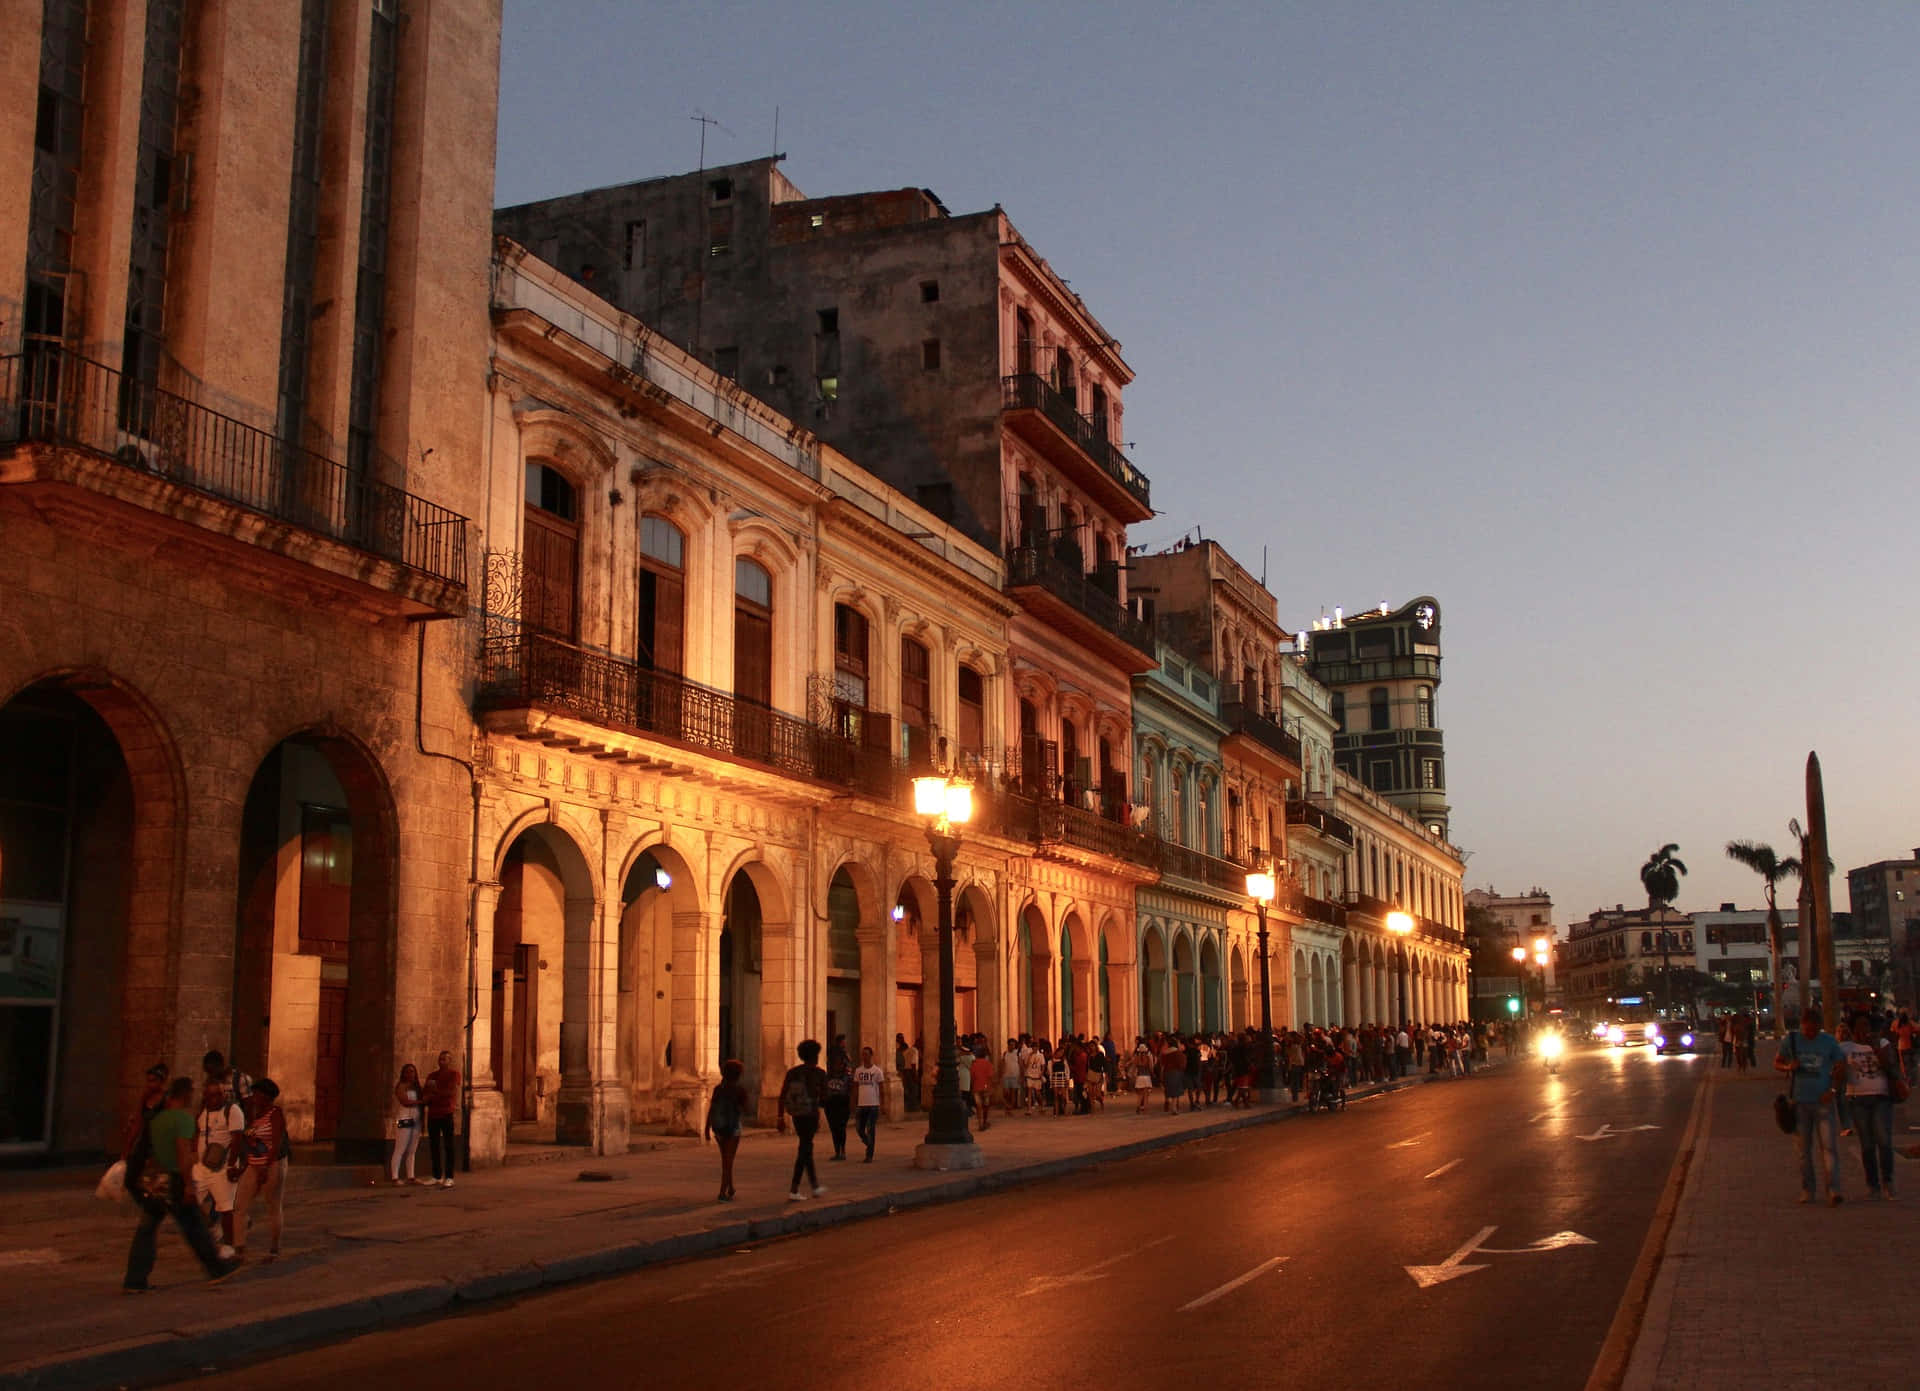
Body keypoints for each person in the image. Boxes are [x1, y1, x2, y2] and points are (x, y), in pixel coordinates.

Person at [124, 1077, 241, 1291]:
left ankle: (134, 1279)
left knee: (147, 1229)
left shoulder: (158, 1120)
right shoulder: (184, 1120)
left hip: (153, 1180)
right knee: (194, 1225)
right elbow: (183, 1154)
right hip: (174, 1180)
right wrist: (189, 1184)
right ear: (187, 1093)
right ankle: (216, 1268)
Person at [1775, 1007, 1848, 1206]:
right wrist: (1788, 1067)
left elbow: (1842, 1065)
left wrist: (1833, 1090)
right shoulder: (1791, 1041)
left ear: (1820, 1027)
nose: (1810, 1034)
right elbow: (1777, 1062)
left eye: (1814, 1031)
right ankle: (1808, 1189)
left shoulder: (1829, 1042)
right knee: (1803, 1151)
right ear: (1802, 1026)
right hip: (1799, 1102)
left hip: (1823, 1101)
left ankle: (1833, 1190)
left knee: (1829, 1148)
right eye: (1807, 1030)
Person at [1839, 1013, 1899, 1201]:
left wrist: (1874, 1047)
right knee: (1867, 1144)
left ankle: (1887, 1181)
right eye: (1860, 1026)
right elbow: (1838, 1071)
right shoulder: (1845, 1048)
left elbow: (1890, 1066)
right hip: (1857, 1099)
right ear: (1853, 1029)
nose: (1864, 1030)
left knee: (1884, 1141)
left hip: (1880, 1096)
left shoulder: (1882, 1044)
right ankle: (1872, 1184)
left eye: (1867, 1026)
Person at [231, 1078, 288, 1261]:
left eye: (258, 1094)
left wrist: (266, 1165)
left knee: (272, 1204)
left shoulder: (275, 1114)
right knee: (240, 1205)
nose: (254, 1097)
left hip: (272, 1164)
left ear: (266, 1096)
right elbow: (248, 1139)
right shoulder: (254, 1114)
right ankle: (239, 1247)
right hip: (253, 1163)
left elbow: (277, 1142)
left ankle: (274, 1247)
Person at [194, 1075, 246, 1259]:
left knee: (226, 1208)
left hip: (222, 1167)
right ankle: (210, 1230)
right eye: (211, 1096)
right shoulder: (203, 1111)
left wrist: (233, 1165)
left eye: (219, 1095)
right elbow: (196, 1133)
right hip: (201, 1166)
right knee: (191, 1201)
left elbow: (238, 1139)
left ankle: (230, 1245)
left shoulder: (232, 1111)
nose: (215, 1099)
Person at [777, 1039, 828, 1201]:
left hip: (797, 1114)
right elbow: (825, 1098)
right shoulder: (819, 1074)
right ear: (816, 1055)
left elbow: (783, 1095)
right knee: (805, 1149)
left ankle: (814, 1186)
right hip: (811, 1114)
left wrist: (780, 1117)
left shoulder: (793, 1072)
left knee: (805, 1147)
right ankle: (796, 1188)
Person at [704, 1059, 748, 1200]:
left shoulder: (719, 1089)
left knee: (725, 1158)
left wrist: (707, 1127)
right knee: (728, 1160)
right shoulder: (740, 1090)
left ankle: (731, 1187)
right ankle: (723, 1191)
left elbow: (712, 1108)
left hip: (719, 1127)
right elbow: (745, 1109)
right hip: (733, 1126)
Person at [425, 1050, 461, 1189]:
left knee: (448, 1145)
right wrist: (433, 1094)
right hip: (433, 1113)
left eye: (444, 1059)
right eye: (440, 1059)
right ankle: (436, 1175)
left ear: (449, 1061)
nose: (441, 1061)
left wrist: (436, 1092)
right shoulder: (432, 1076)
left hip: (446, 1112)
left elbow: (451, 1092)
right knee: (434, 1145)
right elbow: (426, 1092)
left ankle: (449, 1176)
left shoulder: (453, 1075)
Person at [389, 1063, 426, 1185]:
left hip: (416, 1120)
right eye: (408, 1071)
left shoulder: (416, 1087)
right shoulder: (401, 1086)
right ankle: (395, 1177)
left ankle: (411, 1176)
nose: (411, 1074)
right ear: (403, 1073)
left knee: (412, 1149)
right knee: (400, 1147)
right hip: (404, 1118)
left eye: (413, 1071)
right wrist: (421, 1101)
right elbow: (404, 1101)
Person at [853, 1045, 885, 1161]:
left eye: (866, 1054)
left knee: (871, 1129)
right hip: (861, 1104)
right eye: (863, 1054)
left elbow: (881, 1088)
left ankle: (869, 1154)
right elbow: (855, 1087)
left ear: (871, 1055)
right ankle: (869, 1143)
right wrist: (854, 1102)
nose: (864, 1056)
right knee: (859, 1128)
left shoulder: (877, 1071)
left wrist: (882, 1104)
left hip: (873, 1104)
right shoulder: (858, 1070)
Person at [823, 1049, 854, 1160]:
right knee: (834, 1129)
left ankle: (843, 1150)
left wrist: (851, 1104)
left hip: (842, 1103)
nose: (837, 1065)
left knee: (841, 1128)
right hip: (831, 1104)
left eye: (839, 1063)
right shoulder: (828, 1076)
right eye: (835, 1063)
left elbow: (851, 1091)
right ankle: (837, 1151)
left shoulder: (847, 1077)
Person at [968, 1043, 995, 1131]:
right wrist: (991, 1087)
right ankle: (984, 1121)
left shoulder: (974, 1064)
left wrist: (971, 1087)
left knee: (978, 1106)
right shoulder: (988, 1064)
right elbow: (990, 1076)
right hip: (986, 1087)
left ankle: (980, 1123)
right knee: (986, 1105)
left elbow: (971, 1077)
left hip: (976, 1087)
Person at [1132, 1037, 1155, 1113]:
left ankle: (1138, 1106)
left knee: (1140, 1094)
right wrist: (1153, 1074)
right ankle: (1145, 1108)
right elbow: (1151, 1067)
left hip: (1139, 1077)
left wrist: (1133, 1075)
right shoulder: (1148, 1057)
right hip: (1146, 1076)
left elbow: (1134, 1067)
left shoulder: (1137, 1058)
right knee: (1146, 1094)